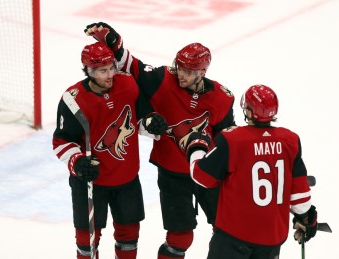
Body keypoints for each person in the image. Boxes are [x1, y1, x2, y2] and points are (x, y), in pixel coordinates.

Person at [85, 22, 237, 259]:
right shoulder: (163, 79)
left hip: (208, 174)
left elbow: (228, 140)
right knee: (180, 239)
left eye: (188, 71)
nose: (181, 74)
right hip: (173, 174)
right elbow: (131, 66)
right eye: (180, 67)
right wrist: (114, 43)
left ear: (202, 73)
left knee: (228, 230)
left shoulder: (222, 97)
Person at [52, 42, 162, 259]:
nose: (110, 74)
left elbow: (139, 118)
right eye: (103, 71)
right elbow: (62, 141)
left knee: (129, 238)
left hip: (127, 177)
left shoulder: (128, 84)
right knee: (87, 244)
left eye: (112, 67)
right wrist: (77, 161)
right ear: (89, 71)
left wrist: (150, 122)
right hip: (91, 181)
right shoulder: (73, 100)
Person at [184, 84, 319, 259]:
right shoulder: (290, 140)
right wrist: (306, 218)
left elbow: (202, 177)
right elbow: (300, 202)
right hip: (271, 241)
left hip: (233, 238)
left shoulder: (232, 139)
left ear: (248, 110)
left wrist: (196, 147)